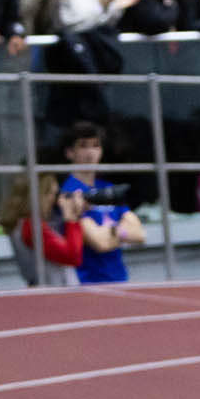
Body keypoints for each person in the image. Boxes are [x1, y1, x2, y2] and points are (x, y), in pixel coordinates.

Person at [61, 121, 145, 284]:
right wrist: (121, 231)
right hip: (88, 282)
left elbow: (140, 234)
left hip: (120, 278)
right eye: (83, 146)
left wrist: (112, 233)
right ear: (70, 152)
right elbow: (99, 243)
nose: (90, 152)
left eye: (96, 146)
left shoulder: (107, 187)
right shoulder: (69, 192)